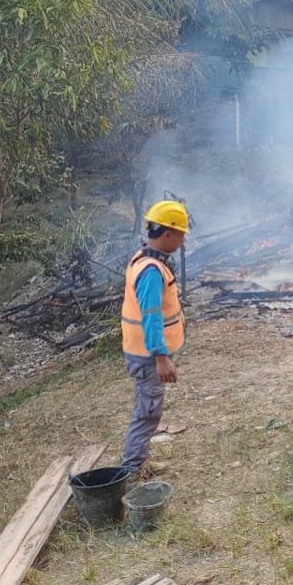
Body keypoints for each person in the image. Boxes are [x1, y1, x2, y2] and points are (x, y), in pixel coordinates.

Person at [119, 200, 190, 477]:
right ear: (168, 233)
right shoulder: (150, 271)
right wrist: (161, 356)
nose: (183, 240)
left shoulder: (143, 258)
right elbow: (151, 316)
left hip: (141, 351)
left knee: (148, 410)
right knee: (147, 414)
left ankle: (139, 463)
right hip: (149, 356)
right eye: (181, 234)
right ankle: (131, 472)